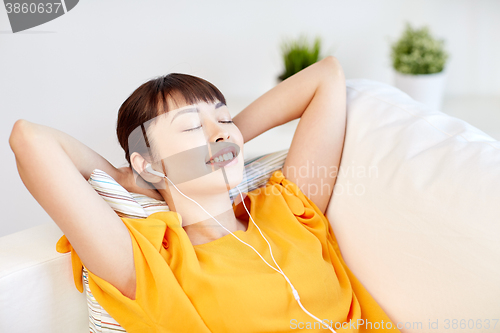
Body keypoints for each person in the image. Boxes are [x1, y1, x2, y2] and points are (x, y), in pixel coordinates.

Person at [9, 56, 400, 332]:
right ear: (147, 163)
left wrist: (224, 137)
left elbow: (325, 76)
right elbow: (28, 139)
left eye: (224, 117)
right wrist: (123, 176)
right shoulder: (153, 264)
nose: (221, 130)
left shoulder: (288, 210)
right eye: (191, 127)